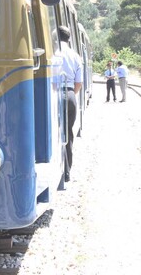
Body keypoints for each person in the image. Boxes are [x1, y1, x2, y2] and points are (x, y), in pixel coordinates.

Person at [58, 25, 83, 183]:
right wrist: (71, 94)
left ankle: (61, 169)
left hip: (56, 93)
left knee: (56, 133)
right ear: (69, 38)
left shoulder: (54, 52)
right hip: (70, 94)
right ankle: (68, 171)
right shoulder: (75, 56)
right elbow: (79, 83)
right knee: (68, 133)